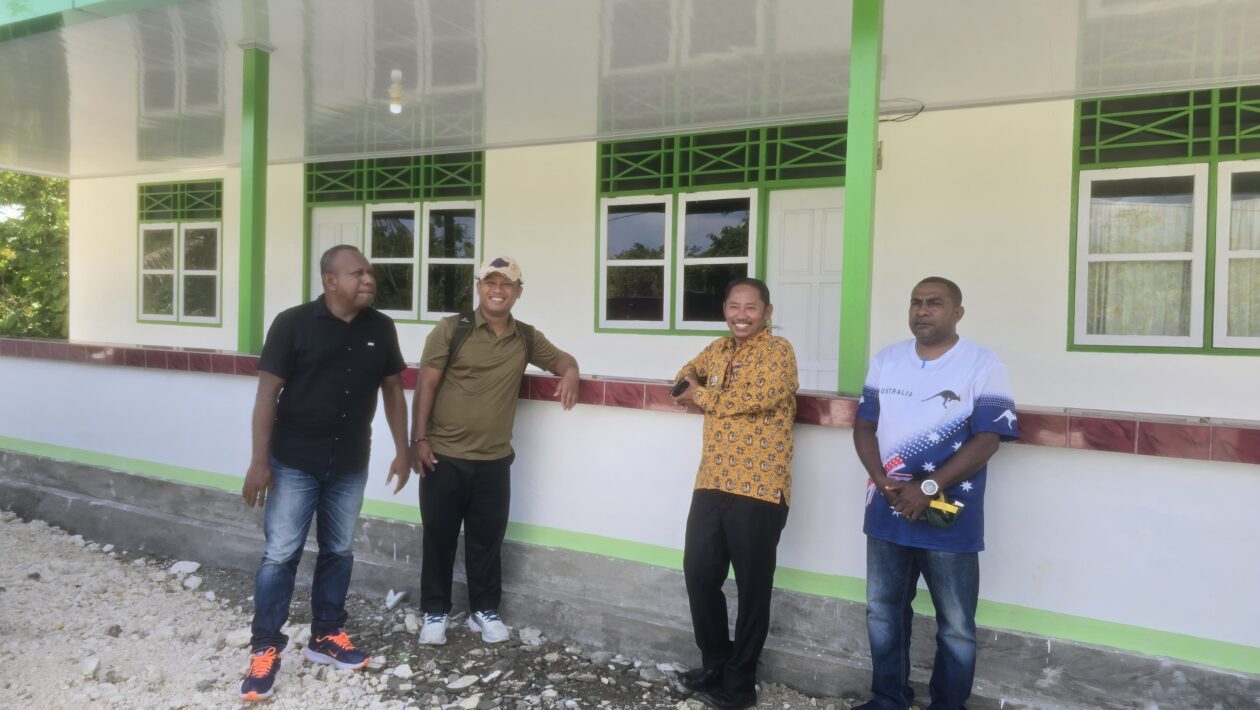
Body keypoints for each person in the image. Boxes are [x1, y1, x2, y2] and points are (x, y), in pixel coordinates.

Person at [238, 245, 411, 702]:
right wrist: (259, 461)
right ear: (330, 281)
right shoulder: (292, 324)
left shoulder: (381, 327)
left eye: (370, 272)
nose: (369, 279)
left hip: (350, 462)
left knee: (339, 550)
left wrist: (403, 449)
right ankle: (264, 649)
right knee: (280, 555)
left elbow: (394, 391)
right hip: (294, 461)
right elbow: (266, 395)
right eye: (358, 273)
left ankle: (327, 635)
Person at [851, 277, 1019, 710]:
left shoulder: (982, 364)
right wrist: (880, 479)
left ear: (957, 312)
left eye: (934, 303)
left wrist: (927, 488)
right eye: (916, 302)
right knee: (883, 611)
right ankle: (888, 699)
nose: (922, 310)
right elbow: (865, 425)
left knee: (956, 625)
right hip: (888, 509)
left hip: (948, 514)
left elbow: (988, 439)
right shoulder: (887, 360)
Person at [410, 256, 580, 646]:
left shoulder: (526, 337)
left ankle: (484, 611)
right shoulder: (451, 329)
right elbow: (426, 385)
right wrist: (418, 440)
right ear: (479, 287)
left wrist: (570, 372)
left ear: (518, 292)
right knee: (439, 537)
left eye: (507, 284)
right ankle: (435, 611)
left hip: (494, 460)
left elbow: (563, 360)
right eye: (491, 282)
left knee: (487, 540)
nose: (498, 290)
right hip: (443, 455)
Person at [670, 278, 799, 710]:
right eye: (733, 307)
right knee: (699, 574)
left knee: (752, 588)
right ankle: (716, 662)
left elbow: (755, 397)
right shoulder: (718, 349)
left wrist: (701, 395)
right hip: (712, 480)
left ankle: (741, 684)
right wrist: (692, 385)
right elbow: (683, 375)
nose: (741, 315)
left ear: (767, 312)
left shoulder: (779, 352)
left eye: (751, 307)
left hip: (759, 486)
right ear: (725, 309)